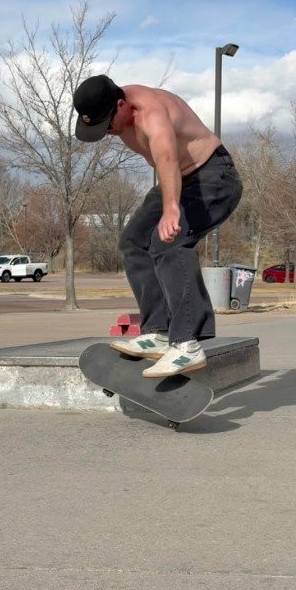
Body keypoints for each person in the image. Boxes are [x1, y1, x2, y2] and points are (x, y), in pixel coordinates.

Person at [73, 74, 242, 379]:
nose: (109, 132)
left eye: (108, 124)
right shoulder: (119, 119)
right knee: (133, 241)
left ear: (122, 104)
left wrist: (170, 208)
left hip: (214, 178)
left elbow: (165, 156)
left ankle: (187, 343)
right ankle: (159, 330)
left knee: (169, 240)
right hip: (183, 179)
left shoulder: (150, 113)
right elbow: (163, 166)